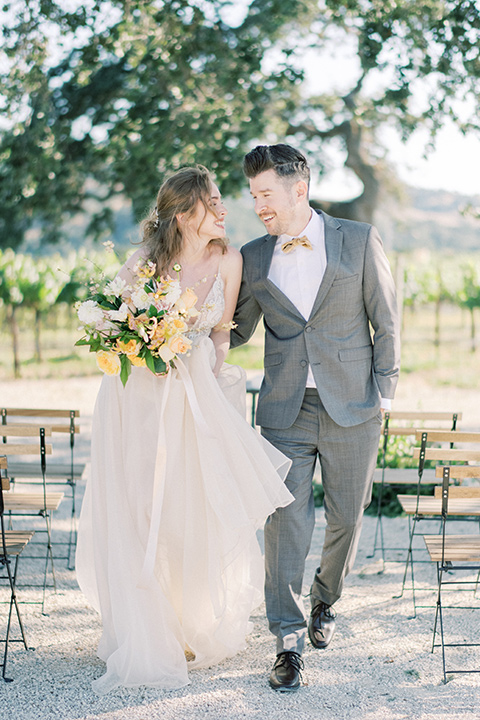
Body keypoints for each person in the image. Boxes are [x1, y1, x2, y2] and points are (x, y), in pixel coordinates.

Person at [76, 165, 293, 694]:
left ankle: (191, 620)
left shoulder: (230, 259)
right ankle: (148, 625)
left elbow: (221, 333)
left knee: (194, 507)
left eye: (221, 200)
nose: (223, 209)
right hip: (141, 403)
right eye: (213, 202)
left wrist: (212, 365)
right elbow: (115, 326)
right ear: (184, 212)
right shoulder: (146, 262)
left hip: (200, 397)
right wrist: (147, 348)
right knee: (143, 506)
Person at [231, 144, 400, 692]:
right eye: (253, 195)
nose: (258, 205)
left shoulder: (358, 239)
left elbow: (386, 319)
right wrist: (166, 327)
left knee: (346, 517)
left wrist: (386, 391)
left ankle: (325, 599)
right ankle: (286, 641)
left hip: (354, 404)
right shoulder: (253, 257)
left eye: (265, 194)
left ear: (297, 189)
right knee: (285, 523)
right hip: (284, 410)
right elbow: (234, 331)